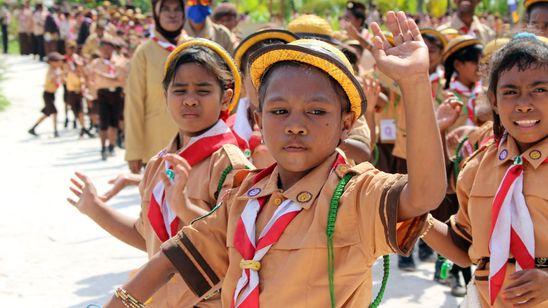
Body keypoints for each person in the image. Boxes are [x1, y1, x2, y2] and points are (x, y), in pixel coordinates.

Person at [102, 11, 447, 308]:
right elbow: (174, 259)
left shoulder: (355, 195)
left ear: (346, 123)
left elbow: (424, 195)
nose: (296, 125)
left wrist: (415, 82)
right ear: (257, 121)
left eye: (316, 111)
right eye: (279, 111)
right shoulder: (245, 197)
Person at [68, 38, 252, 308]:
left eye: (202, 91)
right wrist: (95, 208)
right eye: (179, 90)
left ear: (225, 97)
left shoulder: (230, 165)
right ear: (165, 95)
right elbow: (147, 237)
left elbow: (236, 240)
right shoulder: (159, 163)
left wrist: (186, 208)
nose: (190, 100)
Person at [422, 33, 548, 307]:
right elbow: (462, 246)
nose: (523, 103)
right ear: (493, 101)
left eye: (539, 90)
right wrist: (416, 222)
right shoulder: (477, 167)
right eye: (510, 92)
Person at [124, 0, 185, 174]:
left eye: (177, 9)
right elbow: (134, 103)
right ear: (157, 14)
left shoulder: (195, 47)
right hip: (156, 145)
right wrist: (134, 150)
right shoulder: (144, 52)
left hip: (194, 140)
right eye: (166, 10)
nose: (172, 14)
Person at [89, 38, 127, 160]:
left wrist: (106, 77)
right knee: (103, 122)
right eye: (103, 48)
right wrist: (92, 95)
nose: (106, 51)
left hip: (116, 93)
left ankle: (112, 145)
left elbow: (121, 78)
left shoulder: (120, 62)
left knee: (114, 121)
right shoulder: (96, 63)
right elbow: (91, 79)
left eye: (109, 48)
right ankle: (103, 147)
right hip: (103, 93)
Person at [28, 52, 64, 137]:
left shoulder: (55, 70)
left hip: (52, 95)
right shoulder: (51, 71)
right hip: (48, 95)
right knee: (55, 112)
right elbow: (52, 80)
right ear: (52, 62)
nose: (59, 63)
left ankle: (33, 128)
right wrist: (59, 76)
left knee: (47, 113)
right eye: (57, 61)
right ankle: (55, 131)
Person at [64, 41, 94, 138]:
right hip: (70, 87)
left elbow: (80, 71)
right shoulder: (66, 59)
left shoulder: (76, 60)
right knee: (74, 108)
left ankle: (83, 127)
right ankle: (82, 127)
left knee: (79, 109)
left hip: (77, 87)